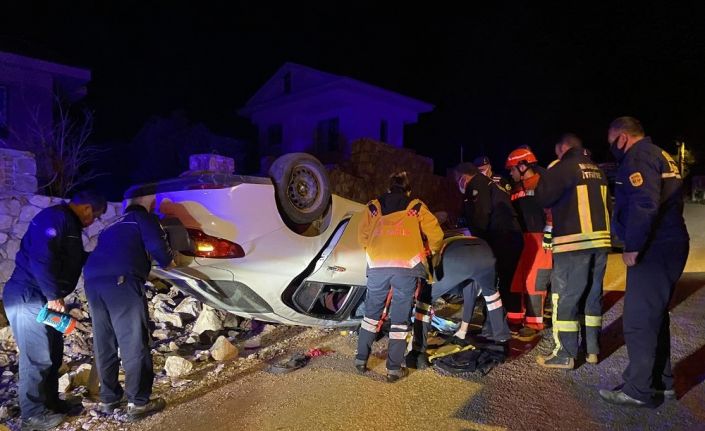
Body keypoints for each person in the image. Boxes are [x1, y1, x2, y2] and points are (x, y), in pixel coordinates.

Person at [599, 117, 689, 407]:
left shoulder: (638, 157)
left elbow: (644, 203)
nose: (612, 147)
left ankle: (638, 390)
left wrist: (633, 246)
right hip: (669, 242)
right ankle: (661, 383)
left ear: (623, 137)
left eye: (612, 141)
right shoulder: (659, 154)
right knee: (655, 317)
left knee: (638, 319)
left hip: (654, 247)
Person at [2, 190, 106, 430]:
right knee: (36, 356)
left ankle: (50, 403)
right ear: (88, 209)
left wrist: (110, 254)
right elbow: (41, 258)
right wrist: (53, 296)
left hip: (42, 297)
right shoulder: (54, 219)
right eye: (97, 216)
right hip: (28, 296)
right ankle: (32, 415)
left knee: (53, 351)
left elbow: (77, 258)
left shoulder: (68, 226)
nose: (94, 221)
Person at [83, 196, 174, 421]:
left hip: (93, 283)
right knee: (133, 340)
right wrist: (169, 262)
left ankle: (109, 398)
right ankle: (138, 403)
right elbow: (157, 246)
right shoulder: (141, 218)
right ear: (145, 206)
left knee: (105, 341)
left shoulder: (112, 225)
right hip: (121, 282)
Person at [355, 172, 443, 382]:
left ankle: (360, 360)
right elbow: (437, 237)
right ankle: (393, 369)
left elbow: (362, 238)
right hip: (407, 267)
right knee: (400, 319)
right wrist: (429, 252)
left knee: (370, 315)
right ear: (408, 190)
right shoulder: (416, 207)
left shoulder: (373, 207)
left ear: (388, 188)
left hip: (378, 267)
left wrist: (378, 251)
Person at [534, 133, 610, 369]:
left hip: (573, 243)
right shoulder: (598, 170)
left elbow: (542, 198)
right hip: (601, 241)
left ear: (563, 148)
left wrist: (547, 176)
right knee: (592, 295)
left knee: (565, 297)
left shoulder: (564, 167)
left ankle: (565, 353)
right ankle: (592, 350)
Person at [455, 162, 523, 313]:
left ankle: (499, 320)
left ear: (463, 178)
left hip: (502, 237)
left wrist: (479, 243)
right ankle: (511, 317)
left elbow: (481, 215)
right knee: (508, 279)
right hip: (510, 234)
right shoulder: (489, 183)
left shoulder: (476, 184)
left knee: (498, 280)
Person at [504, 148, 552, 339]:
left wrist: (549, 234)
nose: (510, 173)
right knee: (517, 280)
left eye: (512, 169)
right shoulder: (516, 188)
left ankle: (533, 322)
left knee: (535, 282)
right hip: (521, 239)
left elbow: (553, 211)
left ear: (523, 166)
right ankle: (515, 318)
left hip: (540, 239)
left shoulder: (544, 184)